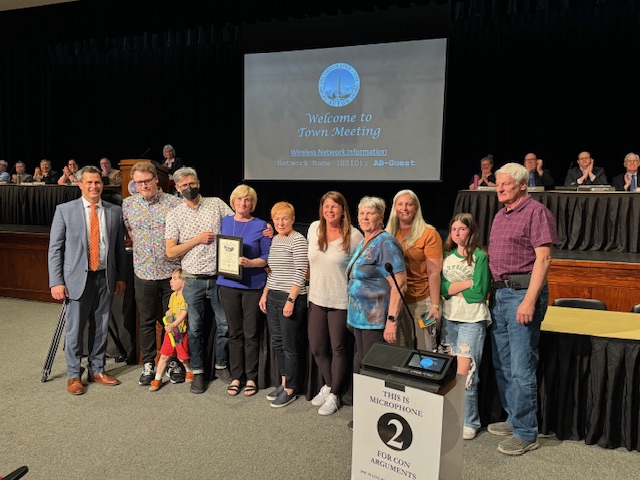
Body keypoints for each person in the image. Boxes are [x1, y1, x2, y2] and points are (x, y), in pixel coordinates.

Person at [487, 162, 557, 455]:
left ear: (522, 185)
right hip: (500, 295)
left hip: (521, 295)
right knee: (502, 365)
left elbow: (543, 260)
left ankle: (527, 432)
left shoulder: (537, 212)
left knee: (520, 366)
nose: (500, 189)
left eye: (506, 184)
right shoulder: (501, 215)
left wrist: (529, 300)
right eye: (498, 184)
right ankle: (515, 418)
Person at [48, 165, 127, 395]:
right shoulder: (64, 210)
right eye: (89, 182)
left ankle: (97, 369)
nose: (94, 186)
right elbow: (55, 249)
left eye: (98, 182)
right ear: (80, 184)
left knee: (101, 326)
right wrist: (56, 281)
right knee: (74, 330)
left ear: (103, 185)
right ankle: (74, 375)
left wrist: (120, 277)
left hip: (105, 276)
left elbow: (119, 249)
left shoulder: (114, 211)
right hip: (75, 280)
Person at [165, 167, 234, 394]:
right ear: (177, 188)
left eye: (192, 184)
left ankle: (221, 365)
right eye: (184, 185)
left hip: (219, 278)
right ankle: (197, 372)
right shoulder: (174, 214)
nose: (189, 188)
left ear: (199, 183)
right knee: (194, 329)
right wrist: (197, 240)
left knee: (224, 325)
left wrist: (263, 230)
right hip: (192, 281)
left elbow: (237, 224)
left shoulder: (216, 204)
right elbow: (171, 252)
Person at [122, 161, 182, 384]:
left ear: (157, 179)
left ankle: (173, 360)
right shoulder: (128, 205)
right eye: (139, 182)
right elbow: (130, 231)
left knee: (172, 320)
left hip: (171, 274)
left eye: (147, 180)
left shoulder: (174, 204)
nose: (143, 185)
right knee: (147, 321)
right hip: (144, 272)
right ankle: (148, 362)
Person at [307, 191, 363, 416]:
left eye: (334, 207)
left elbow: (361, 270)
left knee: (339, 348)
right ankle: (329, 385)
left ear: (342, 210)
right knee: (318, 347)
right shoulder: (314, 228)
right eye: (326, 206)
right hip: (317, 298)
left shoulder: (354, 235)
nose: (329, 210)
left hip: (341, 300)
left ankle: (335, 395)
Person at [440, 213, 491, 441]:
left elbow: (480, 291)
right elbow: (442, 287)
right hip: (449, 319)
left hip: (472, 319)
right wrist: (465, 284)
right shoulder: (448, 257)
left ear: (471, 231)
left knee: (466, 373)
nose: (457, 233)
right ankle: (451, 416)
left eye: (462, 229)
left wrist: (455, 288)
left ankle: (470, 421)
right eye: (454, 229)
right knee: (449, 370)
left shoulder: (479, 257)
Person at [217, 184, 271, 397]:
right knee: (234, 334)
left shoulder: (262, 226)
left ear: (253, 203)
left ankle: (251, 377)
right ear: (233, 202)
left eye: (247, 200)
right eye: (239, 199)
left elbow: (267, 257)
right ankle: (236, 376)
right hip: (227, 285)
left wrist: (251, 263)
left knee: (251, 334)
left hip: (252, 287)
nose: (243, 203)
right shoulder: (224, 221)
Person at [347, 196, 406, 376]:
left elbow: (400, 284)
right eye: (362, 213)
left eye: (370, 213)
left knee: (374, 370)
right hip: (359, 319)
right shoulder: (365, 241)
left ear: (381, 217)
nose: (365, 217)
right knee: (363, 365)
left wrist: (391, 322)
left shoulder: (386, 242)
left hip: (376, 320)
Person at [259, 201, 308, 408]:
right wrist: (264, 294)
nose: (280, 222)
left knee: (289, 346)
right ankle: (283, 381)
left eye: (284, 218)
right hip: (273, 296)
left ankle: (291, 389)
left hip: (291, 298)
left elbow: (300, 272)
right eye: (276, 219)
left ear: (293, 219)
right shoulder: (276, 240)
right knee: (277, 343)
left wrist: (290, 299)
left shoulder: (298, 240)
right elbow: (274, 272)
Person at [386, 189, 442, 352]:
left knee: (423, 352)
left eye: (409, 204)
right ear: (395, 207)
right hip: (395, 302)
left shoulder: (429, 234)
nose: (404, 208)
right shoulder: (387, 234)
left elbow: (433, 272)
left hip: (421, 302)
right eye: (400, 204)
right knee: (398, 353)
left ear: (416, 208)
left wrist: (435, 305)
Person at [149, 268, 193, 391]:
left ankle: (189, 370)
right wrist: (168, 316)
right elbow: (170, 310)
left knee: (182, 357)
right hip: (170, 332)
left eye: (175, 279)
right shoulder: (173, 295)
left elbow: (184, 313)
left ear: (183, 282)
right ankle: (157, 379)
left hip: (180, 332)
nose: (170, 282)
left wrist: (174, 324)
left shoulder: (184, 296)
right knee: (164, 355)